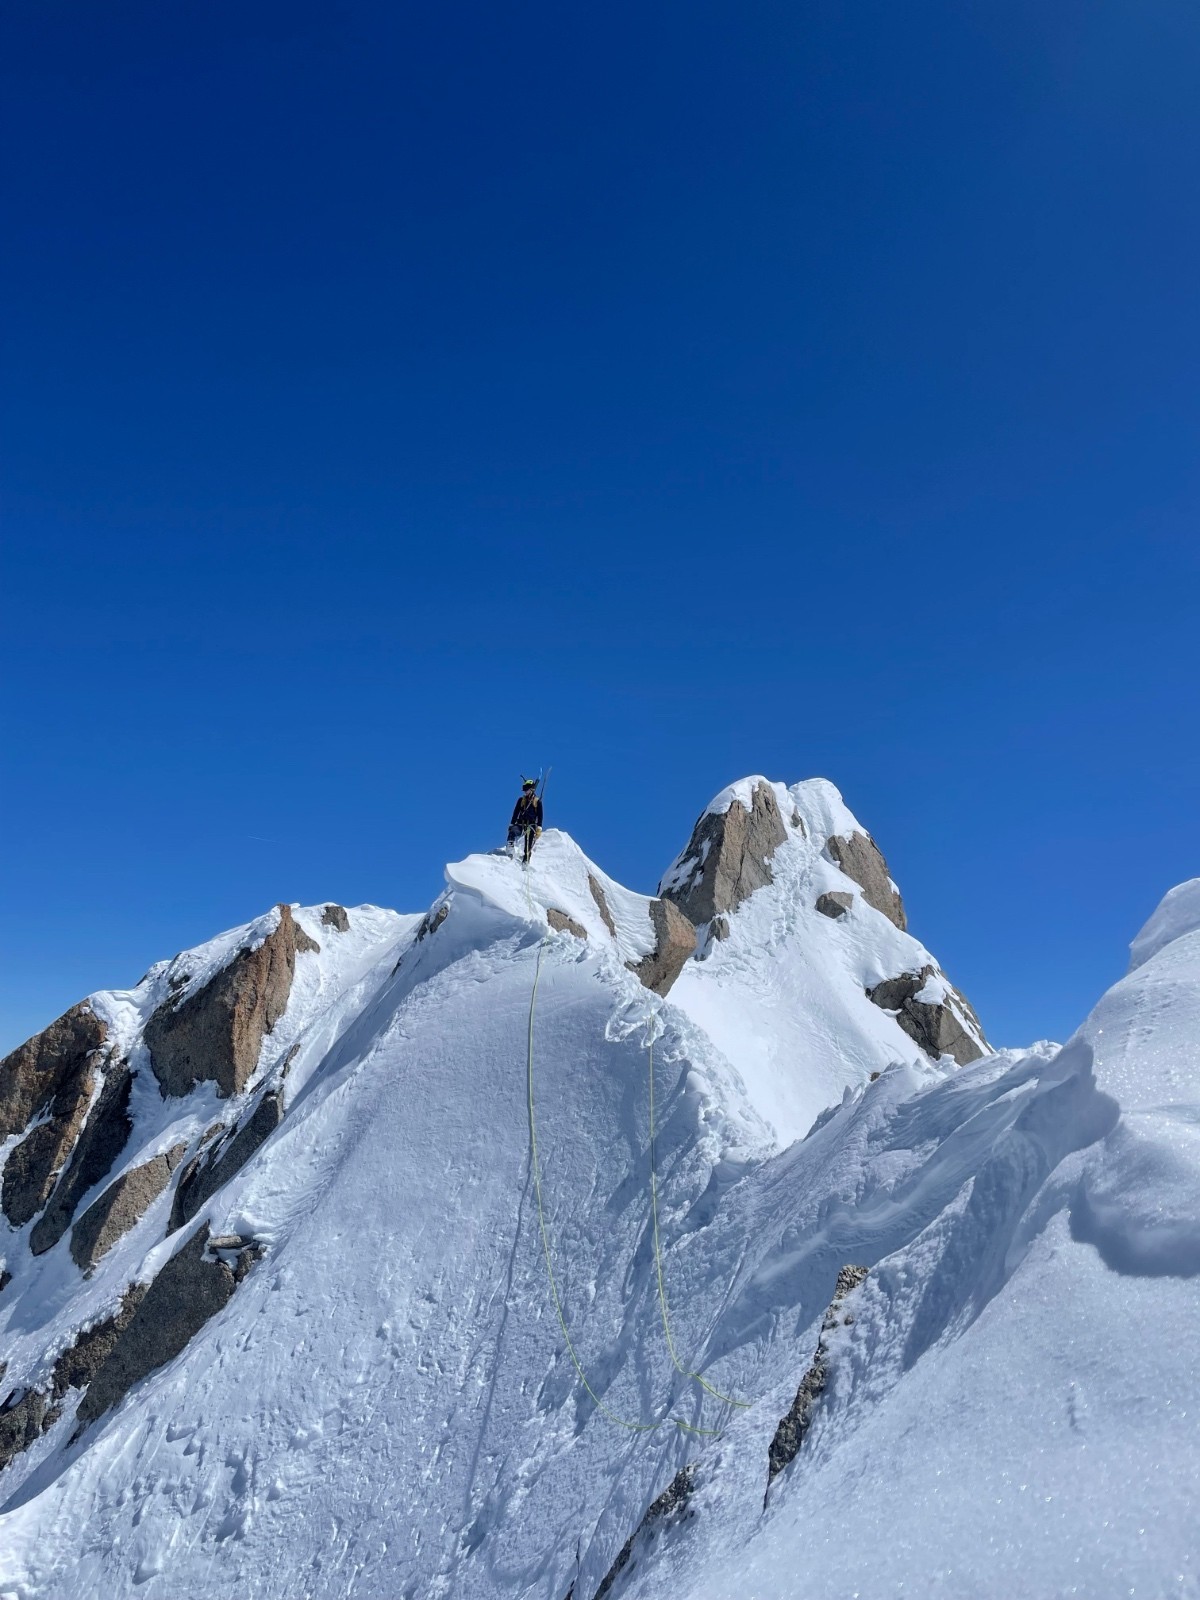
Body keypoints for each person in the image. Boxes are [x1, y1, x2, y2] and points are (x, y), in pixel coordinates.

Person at [507, 778, 543, 863]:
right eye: (524, 790)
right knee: (512, 832)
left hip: (531, 825)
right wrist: (512, 824)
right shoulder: (521, 800)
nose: (525, 791)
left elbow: (540, 815)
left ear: (531, 789)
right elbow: (515, 813)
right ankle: (510, 851)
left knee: (528, 844)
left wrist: (539, 827)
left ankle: (526, 861)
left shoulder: (537, 801)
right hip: (521, 823)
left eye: (527, 789)